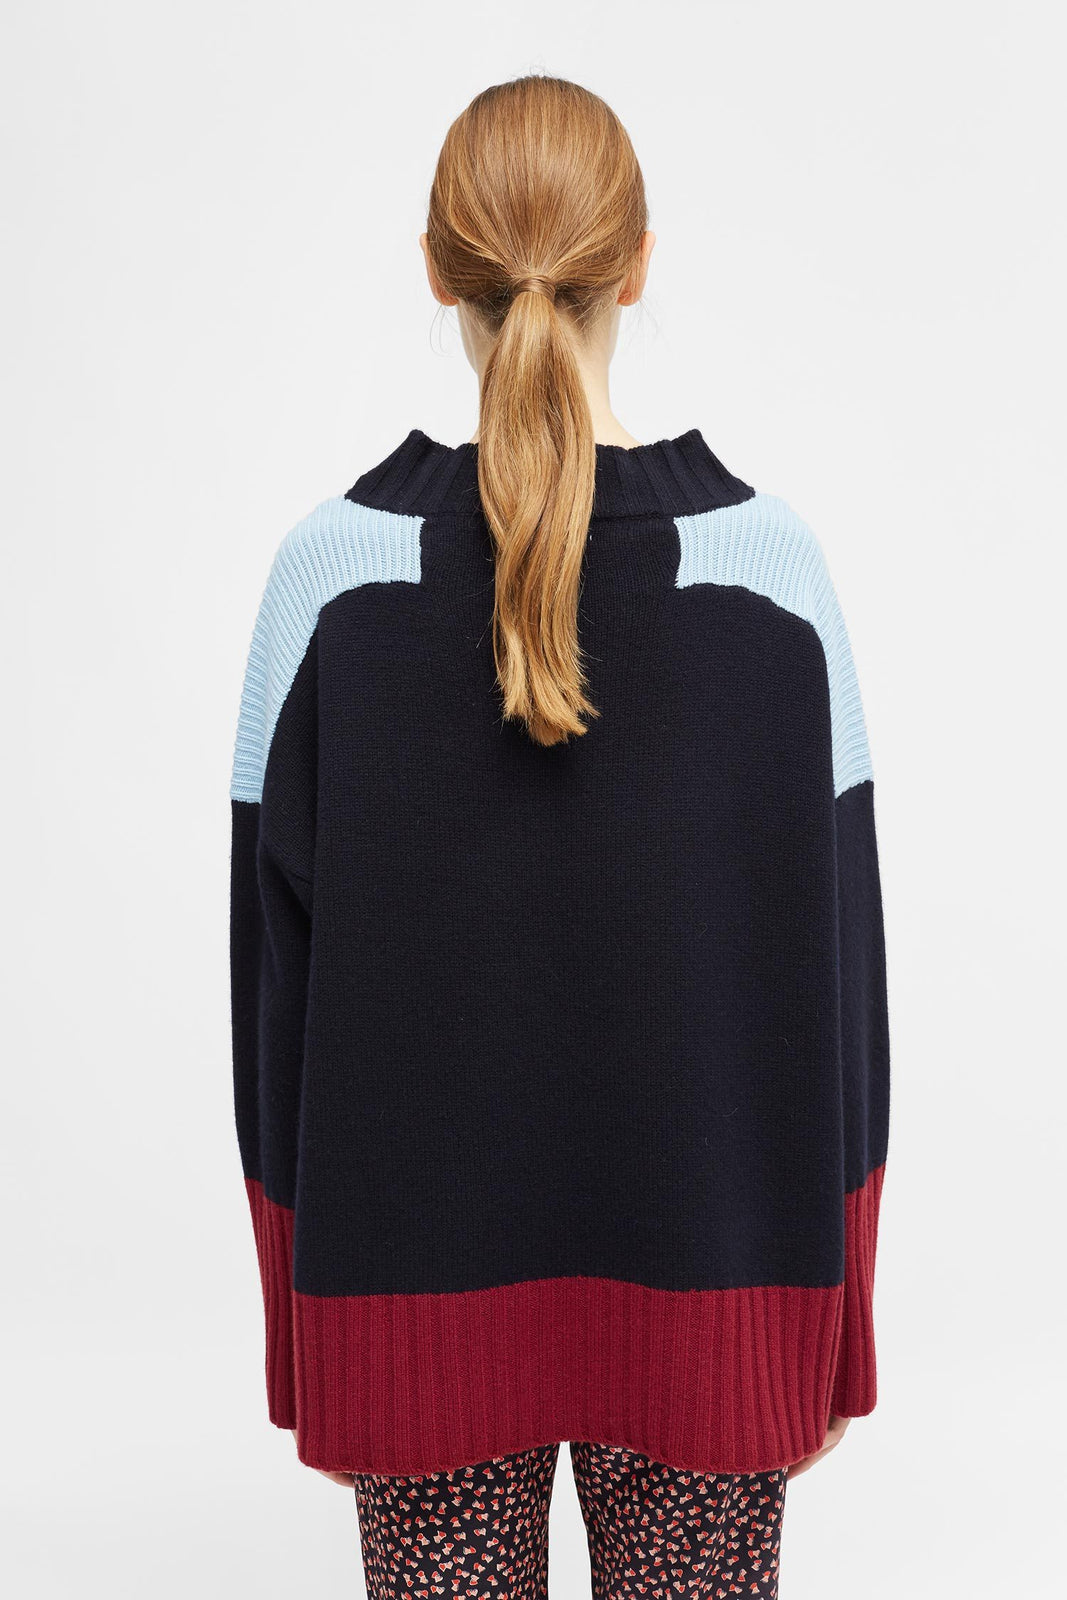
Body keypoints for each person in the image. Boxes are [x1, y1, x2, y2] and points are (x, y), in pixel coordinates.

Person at [228, 73, 890, 1599]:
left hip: (404, 1321)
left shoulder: (325, 585)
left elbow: (273, 1005)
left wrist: (308, 1337)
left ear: (434, 268)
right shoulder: (775, 578)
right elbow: (839, 999)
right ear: (637, 266)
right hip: (722, 1306)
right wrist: (834, 1329)